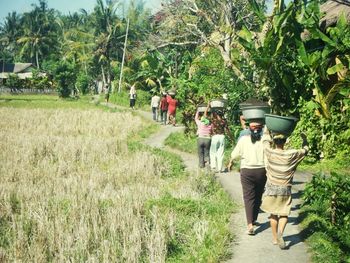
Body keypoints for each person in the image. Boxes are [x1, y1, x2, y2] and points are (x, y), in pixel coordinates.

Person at [260, 128, 308, 249]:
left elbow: (265, 141)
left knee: (273, 214)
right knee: (284, 213)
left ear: (274, 142)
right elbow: (305, 150)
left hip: (271, 188)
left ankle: (275, 239)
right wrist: (304, 139)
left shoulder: (269, 152)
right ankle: (281, 232)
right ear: (285, 142)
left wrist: (267, 129)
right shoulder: (291, 154)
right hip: (285, 189)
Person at [227, 120, 267, 235]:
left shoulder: (243, 140)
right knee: (258, 196)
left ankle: (250, 224)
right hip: (261, 171)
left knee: (248, 197)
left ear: (249, 129)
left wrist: (231, 161)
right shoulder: (265, 140)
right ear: (261, 129)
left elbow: (234, 154)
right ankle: (254, 219)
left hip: (247, 172)